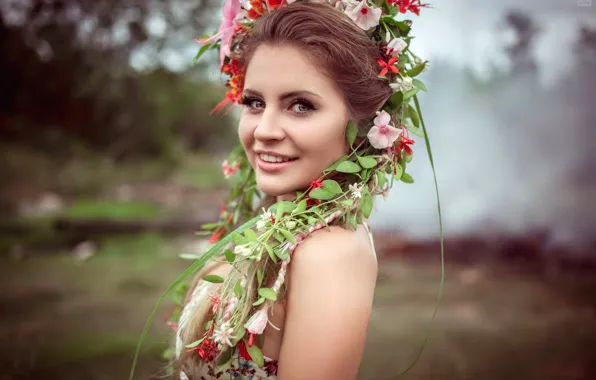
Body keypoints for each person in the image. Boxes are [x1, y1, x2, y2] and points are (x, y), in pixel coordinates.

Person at [139, 1, 432, 379]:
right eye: (255, 102)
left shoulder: (330, 253)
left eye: (300, 105)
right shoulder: (281, 228)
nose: (264, 131)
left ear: (363, 124)